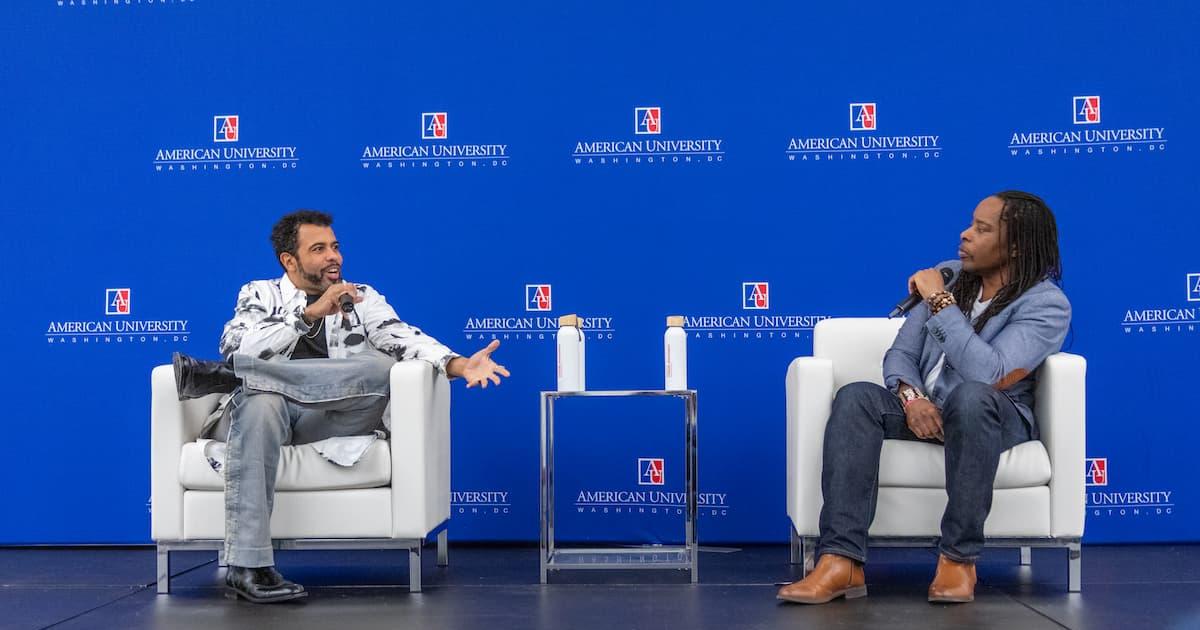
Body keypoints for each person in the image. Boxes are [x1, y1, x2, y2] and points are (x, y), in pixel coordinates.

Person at [173, 209, 510, 603]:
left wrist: (459, 364)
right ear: (290, 260)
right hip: (264, 416)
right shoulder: (258, 293)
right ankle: (248, 567)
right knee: (261, 402)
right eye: (319, 249)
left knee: (382, 367)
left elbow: (403, 338)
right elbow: (237, 346)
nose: (334, 256)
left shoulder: (361, 296)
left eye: (335, 247)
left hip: (326, 418)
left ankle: (235, 376)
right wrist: (307, 316)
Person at [777, 191, 1070, 605]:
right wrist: (913, 399)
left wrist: (938, 301)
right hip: (930, 412)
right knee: (856, 397)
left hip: (991, 417)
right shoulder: (951, 276)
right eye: (970, 224)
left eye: (982, 230)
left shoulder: (1046, 304)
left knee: (970, 397)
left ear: (1017, 245)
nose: (965, 235)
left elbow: (990, 375)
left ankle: (958, 559)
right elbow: (900, 355)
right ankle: (840, 561)